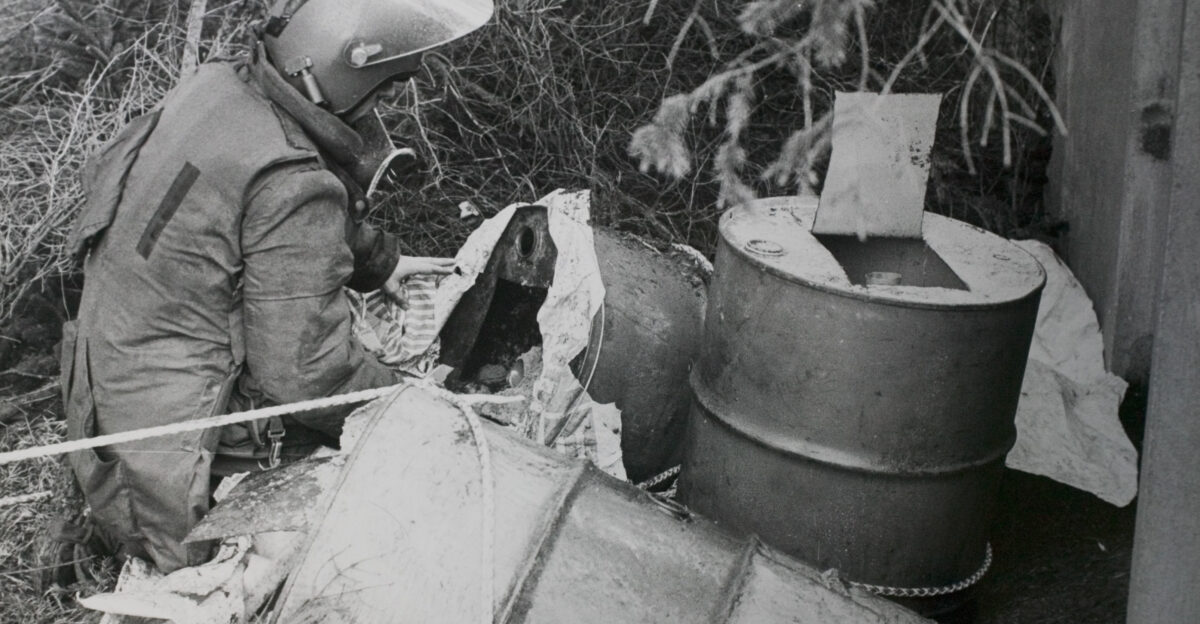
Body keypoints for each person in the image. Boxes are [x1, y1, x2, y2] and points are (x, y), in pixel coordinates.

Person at [54, 0, 494, 574]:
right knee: (384, 529)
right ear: (342, 70)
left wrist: (381, 263)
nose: (384, 107)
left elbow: (229, 209)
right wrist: (410, 416)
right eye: (384, 91)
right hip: (174, 453)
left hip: (104, 393)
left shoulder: (218, 86)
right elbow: (307, 374)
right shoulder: (292, 181)